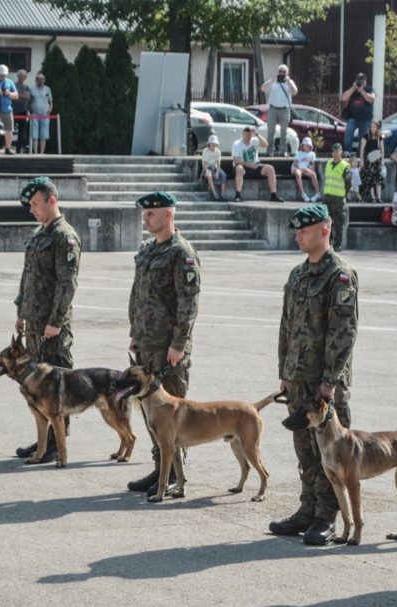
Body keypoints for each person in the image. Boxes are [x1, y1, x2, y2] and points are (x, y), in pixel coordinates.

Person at [269, 203, 358, 546]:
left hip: (324, 384)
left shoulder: (339, 275)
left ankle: (327, 517)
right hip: (298, 379)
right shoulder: (298, 274)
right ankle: (306, 510)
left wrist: (330, 380)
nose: (298, 237)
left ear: (325, 230)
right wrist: (285, 371)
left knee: (331, 454)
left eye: (305, 231)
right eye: (297, 231)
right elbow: (286, 327)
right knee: (305, 451)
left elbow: (344, 332)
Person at [126, 191, 200, 497]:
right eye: (145, 213)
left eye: (152, 213)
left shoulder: (181, 252)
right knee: (151, 415)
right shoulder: (147, 250)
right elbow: (137, 295)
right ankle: (160, 468)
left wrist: (178, 343)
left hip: (168, 349)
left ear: (169, 214)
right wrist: (134, 332)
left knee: (171, 417)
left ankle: (173, 475)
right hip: (145, 346)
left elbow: (189, 301)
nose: (147, 218)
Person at [13, 176, 82, 461]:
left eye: (35, 204)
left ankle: (57, 443)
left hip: (52, 328)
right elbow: (27, 277)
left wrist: (55, 321)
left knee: (56, 387)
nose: (32, 210)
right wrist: (21, 312)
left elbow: (67, 284)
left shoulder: (64, 236)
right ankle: (44, 441)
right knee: (36, 386)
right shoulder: (39, 234)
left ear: (52, 201)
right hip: (33, 324)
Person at [231, 126, 281, 202]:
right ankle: (238, 195)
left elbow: (266, 145)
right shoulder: (237, 144)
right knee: (239, 168)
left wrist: (257, 133)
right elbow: (236, 160)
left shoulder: (254, 140)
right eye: (246, 135)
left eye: (249, 135)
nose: (248, 137)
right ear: (243, 134)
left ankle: (273, 195)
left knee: (270, 168)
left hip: (255, 166)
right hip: (243, 166)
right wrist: (249, 164)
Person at [260, 64, 297, 157]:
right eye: (280, 71)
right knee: (270, 131)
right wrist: (273, 79)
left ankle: (282, 151)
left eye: (284, 72)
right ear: (277, 72)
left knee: (284, 131)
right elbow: (263, 88)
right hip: (273, 108)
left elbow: (295, 92)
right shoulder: (273, 81)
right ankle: (269, 151)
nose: (282, 73)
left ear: (287, 73)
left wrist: (288, 81)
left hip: (284, 109)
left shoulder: (290, 82)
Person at [321, 143, 351, 251]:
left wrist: (344, 194)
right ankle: (328, 241)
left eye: (337, 151)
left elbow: (348, 183)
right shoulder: (328, 163)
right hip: (327, 196)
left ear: (341, 152)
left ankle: (338, 244)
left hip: (338, 198)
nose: (335, 154)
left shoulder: (345, 166)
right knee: (325, 219)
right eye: (333, 152)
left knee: (338, 221)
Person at [340, 72, 375, 151]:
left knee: (362, 138)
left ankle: (360, 154)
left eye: (362, 81)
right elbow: (343, 98)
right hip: (353, 118)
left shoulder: (369, 89)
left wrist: (362, 90)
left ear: (365, 81)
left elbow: (372, 99)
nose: (361, 83)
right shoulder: (352, 89)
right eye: (359, 81)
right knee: (348, 133)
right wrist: (353, 89)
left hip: (365, 119)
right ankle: (347, 151)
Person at [358, 119, 384, 202]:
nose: (373, 128)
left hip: (376, 160)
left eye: (375, 126)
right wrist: (361, 160)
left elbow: (382, 149)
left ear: (377, 128)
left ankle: (379, 197)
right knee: (370, 179)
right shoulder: (365, 136)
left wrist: (382, 159)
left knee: (378, 179)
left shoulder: (379, 137)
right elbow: (362, 150)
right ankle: (373, 198)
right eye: (371, 126)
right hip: (368, 160)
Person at [29, 72, 52, 154]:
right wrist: (31, 111)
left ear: (44, 80)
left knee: (44, 135)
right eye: (38, 79)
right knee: (35, 135)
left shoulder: (48, 89)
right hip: (35, 114)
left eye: (42, 79)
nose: (40, 80)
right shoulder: (32, 89)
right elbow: (29, 101)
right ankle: (35, 153)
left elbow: (51, 101)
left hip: (45, 115)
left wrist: (50, 109)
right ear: (35, 80)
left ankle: (41, 153)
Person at [291, 137, 320, 202]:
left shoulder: (312, 154)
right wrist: (300, 168)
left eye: (308, 145)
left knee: (313, 174)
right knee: (298, 173)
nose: (306, 146)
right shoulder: (298, 153)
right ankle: (303, 193)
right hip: (296, 168)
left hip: (305, 169)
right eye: (305, 145)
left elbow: (313, 165)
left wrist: (312, 172)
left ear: (310, 146)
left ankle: (318, 193)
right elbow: (295, 163)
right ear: (302, 146)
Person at [201, 134, 227, 201]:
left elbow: (218, 162)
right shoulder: (205, 150)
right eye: (212, 144)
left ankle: (222, 195)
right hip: (207, 167)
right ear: (209, 144)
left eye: (215, 144)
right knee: (209, 175)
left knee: (223, 175)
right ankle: (215, 194)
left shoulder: (218, 151)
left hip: (215, 167)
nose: (214, 145)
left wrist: (217, 172)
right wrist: (206, 170)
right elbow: (204, 163)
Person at [12, 69, 31, 154]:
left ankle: (18, 150)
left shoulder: (27, 87)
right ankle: (8, 147)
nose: (22, 77)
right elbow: (14, 96)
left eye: (24, 76)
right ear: (17, 76)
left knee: (21, 131)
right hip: (14, 111)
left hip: (23, 111)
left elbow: (27, 97)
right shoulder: (13, 85)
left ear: (26, 77)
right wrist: (21, 95)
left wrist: (19, 95)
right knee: (11, 130)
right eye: (20, 75)